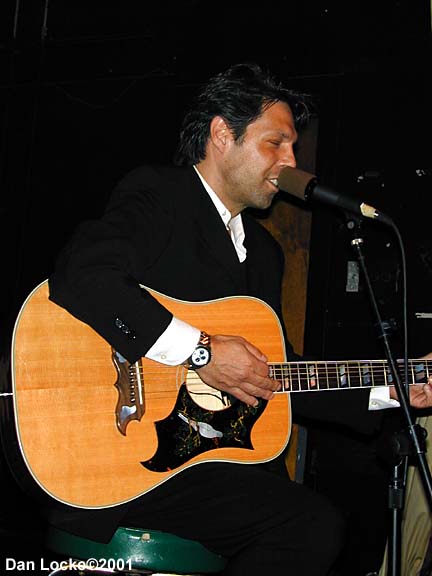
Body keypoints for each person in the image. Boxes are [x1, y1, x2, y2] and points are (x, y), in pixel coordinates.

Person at [46, 62, 432, 575]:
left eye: (293, 147)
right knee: (307, 524)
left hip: (197, 465)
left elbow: (278, 370)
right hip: (118, 458)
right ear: (222, 134)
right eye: (276, 143)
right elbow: (84, 276)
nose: (290, 161)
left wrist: (391, 388)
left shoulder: (266, 254)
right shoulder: (161, 194)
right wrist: (200, 351)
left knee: (307, 513)